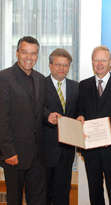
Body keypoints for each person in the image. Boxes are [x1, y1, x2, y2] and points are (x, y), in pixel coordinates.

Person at [0, 36, 54, 205]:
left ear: (38, 56)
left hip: (38, 155)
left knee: (38, 199)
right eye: (25, 52)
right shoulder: (4, 78)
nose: (29, 57)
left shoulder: (40, 78)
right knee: (15, 200)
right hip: (14, 154)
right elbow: (2, 117)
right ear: (17, 53)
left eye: (33, 53)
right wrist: (8, 152)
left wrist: (48, 116)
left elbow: (38, 109)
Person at [77, 46, 111, 205]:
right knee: (94, 192)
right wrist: (79, 116)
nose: (99, 63)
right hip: (90, 149)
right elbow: (80, 110)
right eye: (96, 60)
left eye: (103, 60)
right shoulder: (84, 85)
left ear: (110, 63)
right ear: (92, 62)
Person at [42, 48, 79, 205]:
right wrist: (46, 116)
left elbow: (80, 111)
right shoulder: (40, 84)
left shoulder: (76, 86)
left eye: (65, 65)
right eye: (58, 64)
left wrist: (81, 116)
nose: (61, 68)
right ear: (50, 66)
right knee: (44, 193)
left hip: (67, 150)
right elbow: (35, 109)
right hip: (45, 150)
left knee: (63, 192)